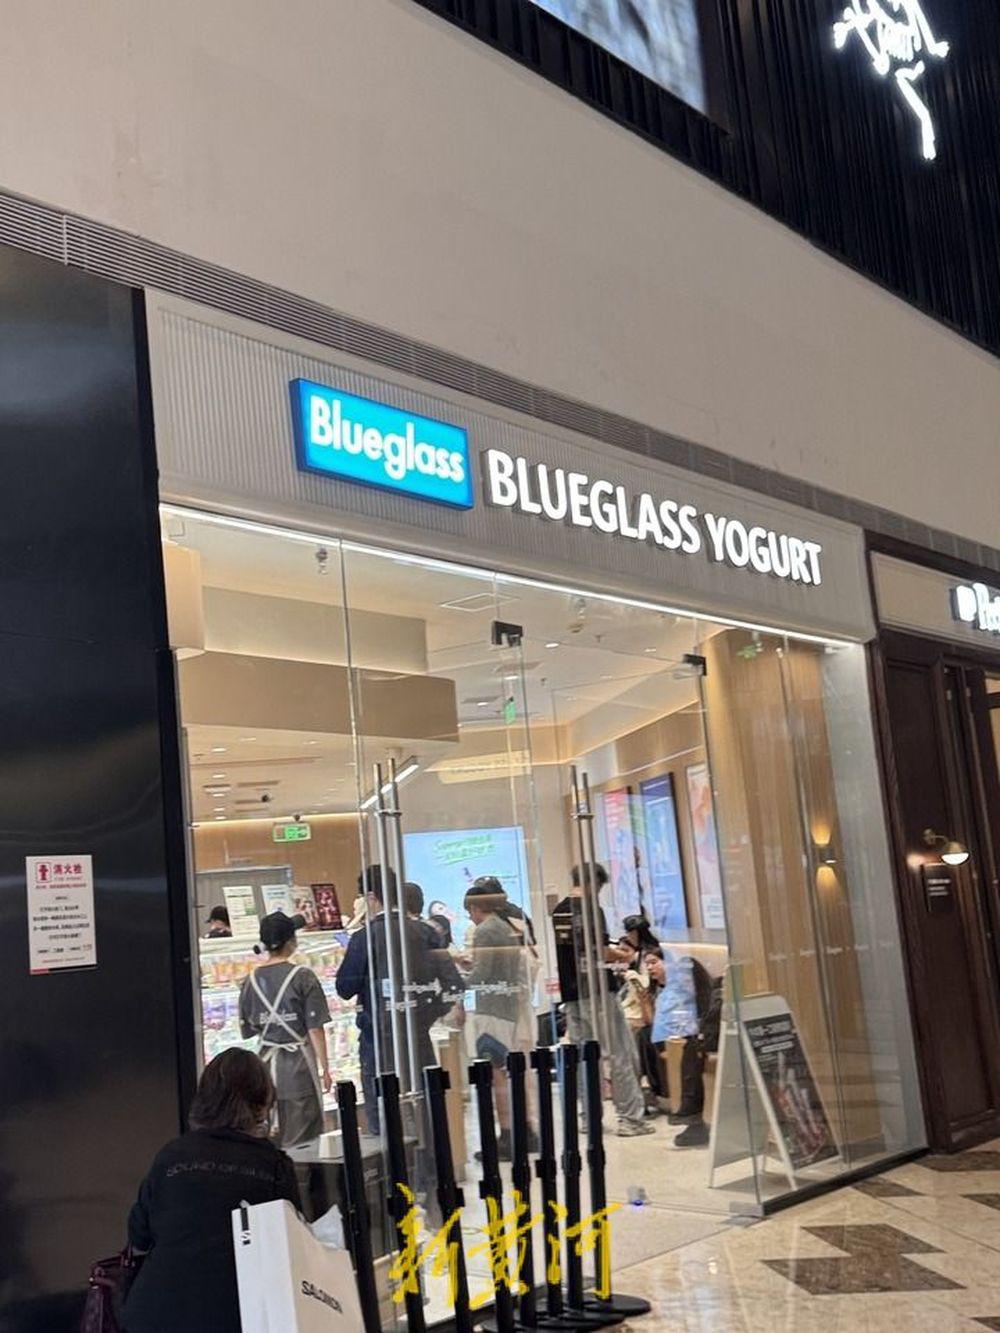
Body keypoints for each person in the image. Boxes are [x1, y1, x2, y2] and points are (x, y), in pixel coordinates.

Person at [123, 1048, 301, 1333]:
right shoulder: (274, 1167)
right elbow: (291, 1250)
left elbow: (138, 1234)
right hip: (236, 1315)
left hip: (155, 1312)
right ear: (262, 1103)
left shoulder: (171, 1156)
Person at [551, 865, 654, 1137]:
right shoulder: (591, 910)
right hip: (597, 992)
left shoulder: (559, 911)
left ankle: (589, 1119)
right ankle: (631, 1120)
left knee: (586, 1059)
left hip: (572, 995)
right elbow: (599, 951)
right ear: (593, 883)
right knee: (620, 1054)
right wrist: (623, 956)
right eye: (599, 887)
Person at [238, 911, 331, 1150]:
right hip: (299, 1069)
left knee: (268, 1139)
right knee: (302, 1142)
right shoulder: (303, 977)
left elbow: (248, 1029)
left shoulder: (249, 980)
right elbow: (315, 1028)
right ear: (291, 941)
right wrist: (325, 1069)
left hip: (264, 1070)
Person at [463, 877, 532, 1158]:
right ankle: (523, 1130)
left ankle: (506, 1136)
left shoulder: (485, 931)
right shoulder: (505, 928)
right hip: (508, 1007)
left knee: (496, 1072)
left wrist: (459, 978)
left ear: (475, 908)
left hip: (491, 1009)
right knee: (508, 1070)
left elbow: (482, 974)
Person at [647, 952, 715, 1146]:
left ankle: (692, 1113)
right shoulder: (683, 998)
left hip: (710, 1040)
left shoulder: (709, 996)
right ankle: (691, 1114)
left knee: (691, 1053)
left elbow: (709, 1024)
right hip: (695, 1039)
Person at [618, 936, 669, 1110]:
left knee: (645, 1035)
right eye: (647, 964)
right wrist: (644, 1000)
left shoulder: (676, 987)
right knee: (643, 1033)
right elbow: (650, 1020)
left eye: (654, 962)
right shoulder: (652, 989)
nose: (649, 967)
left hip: (673, 1030)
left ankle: (648, 1087)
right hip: (658, 1030)